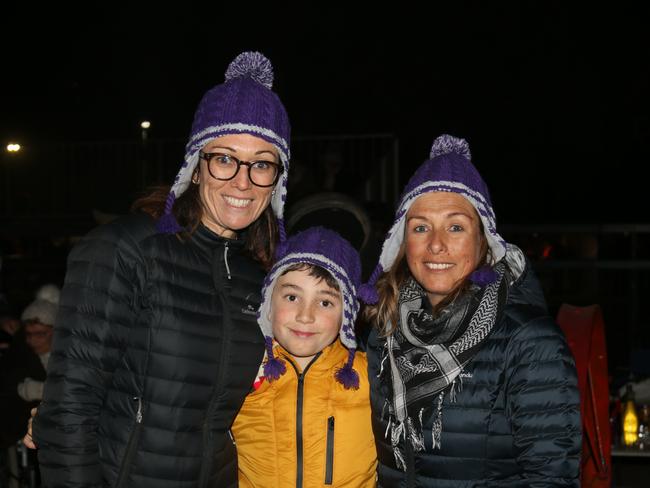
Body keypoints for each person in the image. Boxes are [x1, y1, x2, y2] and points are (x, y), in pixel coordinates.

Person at [31, 51, 291, 488]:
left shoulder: (260, 277)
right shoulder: (127, 249)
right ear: (195, 166)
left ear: (277, 180)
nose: (243, 181)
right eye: (225, 158)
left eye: (262, 163)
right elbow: (68, 409)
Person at [359, 135, 581, 487]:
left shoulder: (528, 342)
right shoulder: (385, 329)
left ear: (484, 240)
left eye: (456, 227)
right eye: (420, 227)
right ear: (403, 243)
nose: (436, 244)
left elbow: (553, 479)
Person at [231, 226, 377, 487]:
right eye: (292, 296)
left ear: (347, 313)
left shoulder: (369, 378)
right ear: (269, 301)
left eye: (325, 302)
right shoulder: (242, 369)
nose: (305, 315)